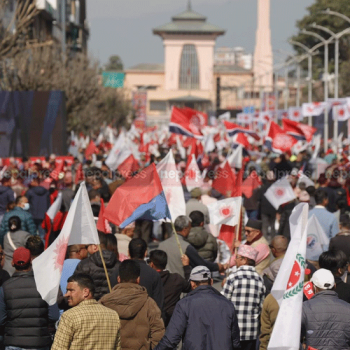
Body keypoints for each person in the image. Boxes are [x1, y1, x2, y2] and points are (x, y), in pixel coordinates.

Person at [154, 266, 241, 350]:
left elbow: (171, 339)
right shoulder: (227, 304)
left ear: (192, 284)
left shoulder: (184, 305)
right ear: (211, 281)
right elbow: (235, 342)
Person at [100, 260, 165, 350]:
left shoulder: (104, 302)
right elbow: (158, 332)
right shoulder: (149, 303)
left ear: (118, 279)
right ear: (138, 280)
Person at [51, 273, 121, 350]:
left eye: (71, 290)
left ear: (86, 292)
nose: (66, 294)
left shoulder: (69, 316)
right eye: (67, 290)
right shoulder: (113, 315)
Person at [0, 247, 52, 349]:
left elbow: (1, 319)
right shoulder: (44, 285)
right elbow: (53, 316)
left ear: (12, 263)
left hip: (14, 342)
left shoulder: (4, 288)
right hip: (39, 342)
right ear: (31, 262)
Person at [222, 245, 266, 350]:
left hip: (232, 331)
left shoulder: (233, 277)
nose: (235, 260)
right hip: (251, 331)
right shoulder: (259, 280)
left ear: (244, 260)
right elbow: (261, 307)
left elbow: (223, 303)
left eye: (237, 257)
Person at [158, 216, 226, 278]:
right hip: (182, 285)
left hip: (164, 284)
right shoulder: (186, 247)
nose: (190, 231)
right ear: (184, 229)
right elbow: (201, 264)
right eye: (189, 229)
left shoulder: (161, 245)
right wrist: (218, 267)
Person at [301, 269, 350, 350]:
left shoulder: (304, 307)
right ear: (334, 286)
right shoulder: (348, 308)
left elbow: (292, 337)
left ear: (313, 287)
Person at [114, 238, 164, 311]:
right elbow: (159, 305)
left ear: (128, 252)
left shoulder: (117, 272)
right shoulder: (154, 274)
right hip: (146, 318)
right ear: (145, 253)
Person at [149, 250, 191, 326]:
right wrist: (186, 266)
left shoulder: (148, 280)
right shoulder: (176, 279)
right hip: (173, 322)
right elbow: (190, 286)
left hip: (153, 322)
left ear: (152, 264)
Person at [74, 232, 119, 300]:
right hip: (112, 305)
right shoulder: (119, 265)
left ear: (95, 246)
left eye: (87, 247)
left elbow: (76, 288)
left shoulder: (84, 264)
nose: (86, 250)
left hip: (89, 306)